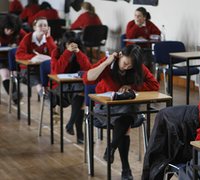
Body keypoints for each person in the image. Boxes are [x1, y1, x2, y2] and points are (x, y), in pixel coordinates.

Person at [83, 44, 159, 180]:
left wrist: (132, 86)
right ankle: (125, 168)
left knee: (127, 113)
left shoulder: (137, 66)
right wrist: (106, 62)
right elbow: (88, 78)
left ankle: (112, 148)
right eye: (125, 63)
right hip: (104, 108)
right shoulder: (109, 63)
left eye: (130, 66)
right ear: (120, 55)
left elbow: (155, 85)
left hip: (127, 110)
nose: (126, 67)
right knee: (126, 120)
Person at [50, 31, 91, 144]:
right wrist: (67, 53)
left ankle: (71, 124)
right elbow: (57, 71)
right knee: (81, 93)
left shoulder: (80, 51)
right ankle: (79, 133)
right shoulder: (56, 52)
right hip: (58, 87)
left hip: (74, 85)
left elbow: (88, 68)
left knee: (82, 90)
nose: (72, 46)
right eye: (69, 44)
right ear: (64, 44)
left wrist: (78, 53)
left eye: (74, 44)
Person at [16, 16, 56, 98]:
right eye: (40, 25)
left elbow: (55, 54)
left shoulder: (48, 39)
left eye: (45, 25)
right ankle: (49, 104)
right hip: (28, 70)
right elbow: (18, 55)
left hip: (43, 69)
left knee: (54, 81)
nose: (43, 28)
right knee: (39, 83)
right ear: (34, 27)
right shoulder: (28, 38)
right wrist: (33, 57)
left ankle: (53, 103)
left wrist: (49, 38)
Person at [0, 14, 26, 104]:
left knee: (15, 74)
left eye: (12, 30)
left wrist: (19, 46)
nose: (9, 32)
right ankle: (15, 97)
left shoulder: (19, 32)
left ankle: (16, 94)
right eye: (7, 29)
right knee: (5, 75)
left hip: (14, 58)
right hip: (1, 58)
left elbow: (27, 42)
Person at [126, 7, 160, 72]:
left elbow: (157, 33)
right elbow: (129, 36)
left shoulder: (149, 24)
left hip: (145, 48)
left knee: (147, 60)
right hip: (132, 48)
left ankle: (145, 77)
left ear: (144, 17)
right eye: (135, 16)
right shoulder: (131, 24)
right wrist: (136, 26)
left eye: (139, 16)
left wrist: (146, 37)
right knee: (136, 59)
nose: (136, 18)